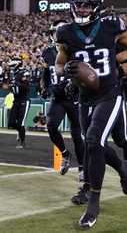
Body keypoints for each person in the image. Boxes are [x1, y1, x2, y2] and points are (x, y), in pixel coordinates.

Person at [55, 0, 127, 228]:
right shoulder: (65, 32)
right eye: (79, 4)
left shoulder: (111, 25)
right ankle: (123, 170)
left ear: (97, 7)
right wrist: (67, 74)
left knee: (93, 141)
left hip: (110, 92)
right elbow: (59, 64)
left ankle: (93, 203)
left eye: (87, 5)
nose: (82, 9)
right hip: (85, 96)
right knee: (94, 146)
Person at [40, 20, 85, 180]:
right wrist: (44, 87)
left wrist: (73, 84)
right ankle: (65, 154)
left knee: (77, 134)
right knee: (51, 126)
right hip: (57, 97)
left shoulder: (74, 49)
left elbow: (84, 72)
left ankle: (82, 168)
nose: (54, 35)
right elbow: (45, 73)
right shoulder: (47, 52)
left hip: (73, 96)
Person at [7, 57, 31, 149]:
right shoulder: (13, 74)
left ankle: (22, 142)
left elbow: (26, 86)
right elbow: (9, 86)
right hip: (16, 101)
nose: (11, 67)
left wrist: (16, 83)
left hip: (24, 101)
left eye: (13, 66)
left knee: (21, 122)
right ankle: (20, 131)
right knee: (11, 122)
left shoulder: (24, 72)